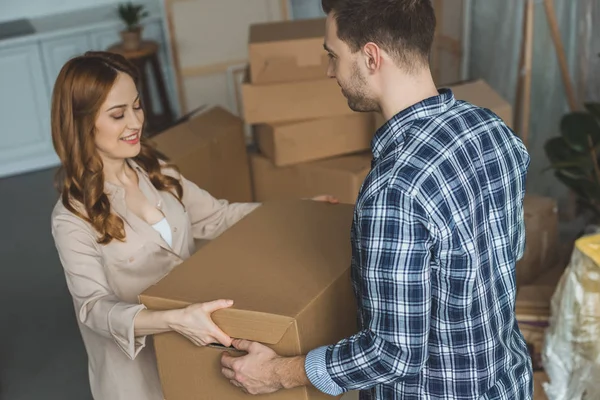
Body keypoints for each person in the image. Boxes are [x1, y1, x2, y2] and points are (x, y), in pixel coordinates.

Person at [220, 0, 533, 399]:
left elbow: (392, 354)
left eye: (333, 55)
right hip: (508, 383)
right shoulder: (490, 129)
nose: (330, 70)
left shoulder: (394, 189)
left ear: (370, 56)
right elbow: (502, 259)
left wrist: (279, 372)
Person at [50, 51, 336, 400]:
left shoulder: (159, 173)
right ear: (81, 123)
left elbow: (217, 216)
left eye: (137, 106)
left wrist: (296, 210)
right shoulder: (71, 217)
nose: (135, 122)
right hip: (135, 377)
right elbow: (93, 310)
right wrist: (173, 318)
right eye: (117, 114)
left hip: (189, 352)